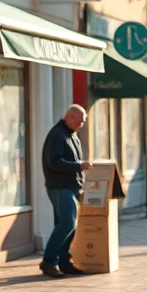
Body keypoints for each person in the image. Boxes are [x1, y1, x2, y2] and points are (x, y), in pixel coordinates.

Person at [39, 104, 93, 278]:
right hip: (59, 187)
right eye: (80, 121)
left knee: (67, 225)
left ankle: (63, 261)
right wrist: (78, 165)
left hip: (70, 186)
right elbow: (53, 162)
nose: (82, 124)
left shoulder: (71, 135)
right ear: (69, 117)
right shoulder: (57, 135)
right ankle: (49, 261)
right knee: (67, 224)